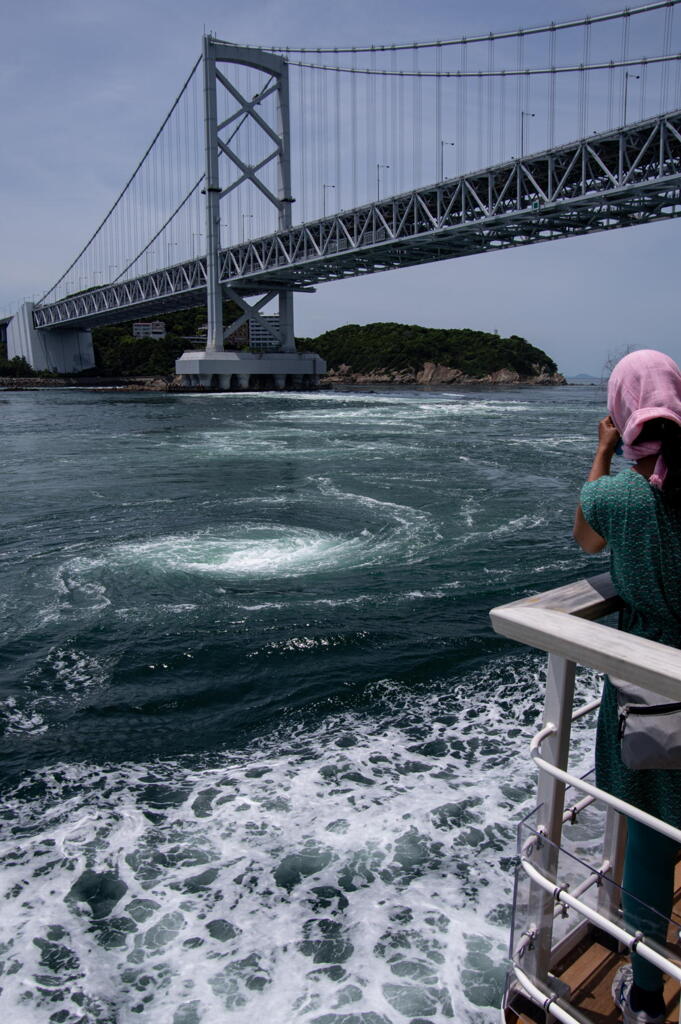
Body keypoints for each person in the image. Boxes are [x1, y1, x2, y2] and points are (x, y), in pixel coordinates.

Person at [573, 348, 681, 1024]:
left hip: (652, 688)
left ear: (619, 412)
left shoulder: (615, 495)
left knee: (650, 836)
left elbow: (586, 542)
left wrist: (602, 451)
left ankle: (644, 997)